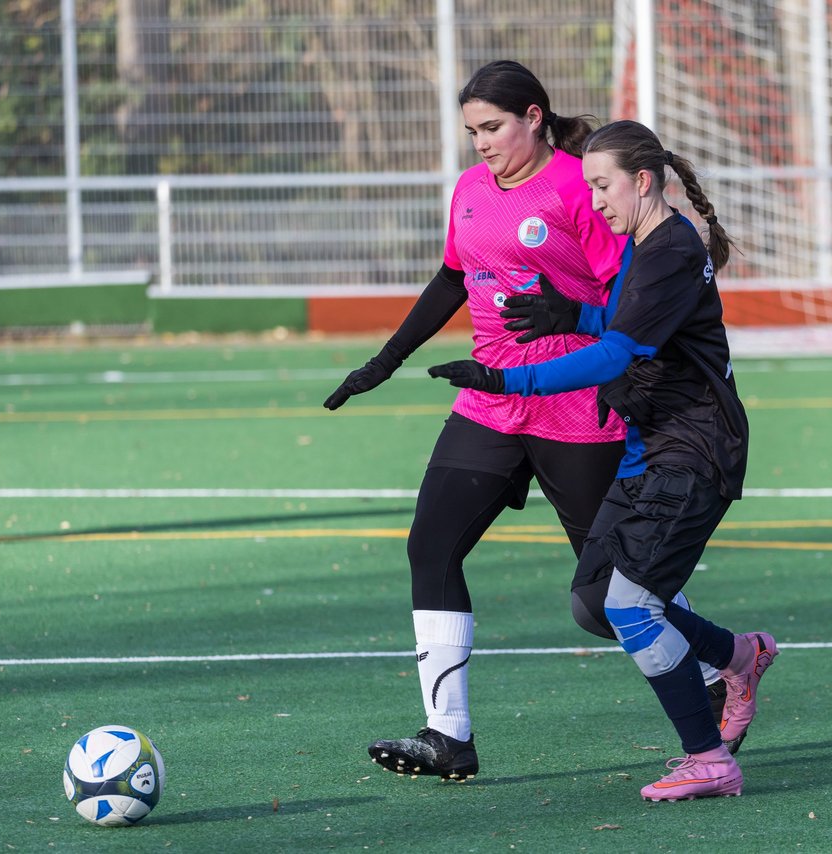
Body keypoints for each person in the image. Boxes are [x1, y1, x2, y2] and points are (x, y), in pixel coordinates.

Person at [427, 119, 778, 801]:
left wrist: (508, 379)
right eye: (587, 185)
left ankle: (709, 759)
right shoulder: (646, 242)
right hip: (650, 443)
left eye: (602, 184)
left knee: (633, 607)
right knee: (596, 604)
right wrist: (573, 317)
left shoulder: (670, 249)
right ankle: (739, 657)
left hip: (694, 447)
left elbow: (622, 352)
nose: (594, 201)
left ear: (642, 181)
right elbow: (628, 322)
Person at [323, 60, 632, 782]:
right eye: (472, 132)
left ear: (534, 116)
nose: (481, 144)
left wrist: (596, 341)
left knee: (612, 590)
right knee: (430, 548)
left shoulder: (579, 188)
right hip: (489, 400)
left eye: (492, 127)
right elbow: (454, 277)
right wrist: (386, 360)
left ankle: (724, 666)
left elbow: (630, 297)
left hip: (574, 400)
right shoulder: (468, 190)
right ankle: (448, 736)